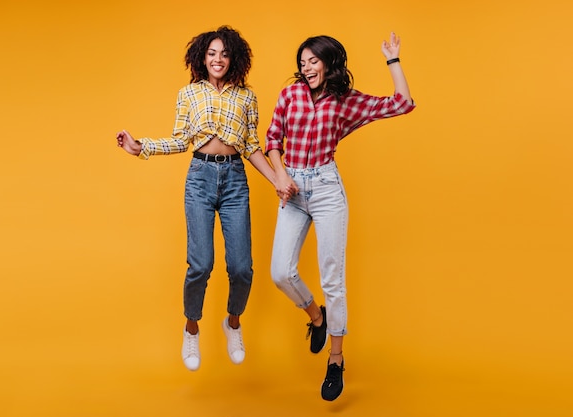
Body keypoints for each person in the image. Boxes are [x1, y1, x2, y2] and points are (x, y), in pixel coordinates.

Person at [116, 26, 296, 372]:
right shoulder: (188, 94)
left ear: (234, 59)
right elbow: (180, 140)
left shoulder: (246, 97)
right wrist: (142, 148)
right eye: (212, 53)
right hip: (199, 178)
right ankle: (191, 328)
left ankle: (232, 323)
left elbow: (251, 146)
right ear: (202, 57)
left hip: (234, 181)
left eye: (224, 54)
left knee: (242, 268)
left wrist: (278, 179)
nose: (218, 59)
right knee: (200, 265)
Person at [265, 32, 416, 400]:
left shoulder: (345, 101)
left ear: (329, 63)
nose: (306, 68)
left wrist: (392, 60)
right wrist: (281, 175)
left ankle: (335, 361)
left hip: (328, 188)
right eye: (302, 63)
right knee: (280, 271)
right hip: (293, 188)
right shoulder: (290, 95)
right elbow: (272, 139)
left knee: (333, 279)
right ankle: (316, 318)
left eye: (313, 61)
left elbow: (402, 103)